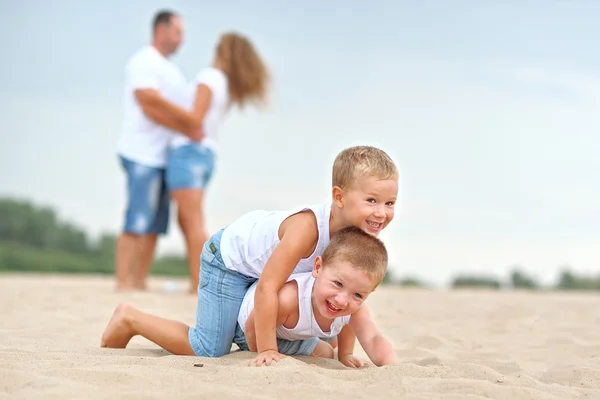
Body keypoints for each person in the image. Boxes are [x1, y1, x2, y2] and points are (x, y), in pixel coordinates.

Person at [101, 145, 399, 367]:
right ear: (339, 197)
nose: (381, 213)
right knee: (209, 347)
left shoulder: (353, 241)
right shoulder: (307, 230)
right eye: (371, 200)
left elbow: (339, 306)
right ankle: (131, 318)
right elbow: (269, 286)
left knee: (327, 307)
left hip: (261, 269)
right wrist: (267, 349)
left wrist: (343, 352)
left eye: (389, 203)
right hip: (229, 262)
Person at [135, 32, 270, 294]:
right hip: (205, 154)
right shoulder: (226, 85)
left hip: (187, 153)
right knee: (189, 221)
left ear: (219, 52)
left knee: (192, 221)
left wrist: (158, 103)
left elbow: (194, 119)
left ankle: (202, 283)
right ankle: (197, 281)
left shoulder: (209, 78)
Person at [114, 9, 201, 291]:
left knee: (154, 224)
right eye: (178, 33)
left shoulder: (170, 69)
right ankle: (123, 280)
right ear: (161, 31)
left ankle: (139, 280)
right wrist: (187, 123)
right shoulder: (143, 61)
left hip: (164, 157)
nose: (181, 40)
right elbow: (148, 102)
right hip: (142, 153)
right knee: (137, 218)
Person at [237, 226, 397, 367]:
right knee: (326, 352)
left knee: (338, 333)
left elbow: (372, 337)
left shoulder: (353, 307)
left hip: (287, 328)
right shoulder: (290, 299)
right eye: (338, 284)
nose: (342, 300)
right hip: (253, 331)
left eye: (357, 294)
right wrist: (267, 351)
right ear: (318, 267)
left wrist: (346, 354)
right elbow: (252, 326)